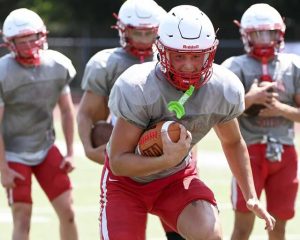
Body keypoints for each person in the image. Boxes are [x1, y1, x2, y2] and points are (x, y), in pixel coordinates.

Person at [99, 5, 276, 240]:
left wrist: (250, 196)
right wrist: (166, 159)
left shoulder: (223, 87)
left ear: (210, 53)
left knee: (209, 234)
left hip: (175, 178)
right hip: (126, 184)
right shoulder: (138, 86)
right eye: (179, 56)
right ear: (162, 52)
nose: (189, 65)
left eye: (196, 56)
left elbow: (233, 142)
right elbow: (119, 162)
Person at [77, 0, 185, 239]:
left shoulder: (177, 60)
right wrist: (88, 147)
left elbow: (190, 114)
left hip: (168, 146)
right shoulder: (106, 64)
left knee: (181, 232)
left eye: (151, 33)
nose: (145, 39)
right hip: (126, 151)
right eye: (138, 32)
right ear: (123, 30)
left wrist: (186, 152)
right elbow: (86, 112)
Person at [222, 3, 299, 240]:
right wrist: (250, 99)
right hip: (248, 154)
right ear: (246, 34)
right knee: (242, 227)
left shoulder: (293, 65)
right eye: (258, 33)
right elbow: (219, 112)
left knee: (279, 229)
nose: (264, 39)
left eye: (270, 33)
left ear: (280, 33)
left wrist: (280, 108)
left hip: (284, 152)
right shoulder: (233, 67)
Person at [0, 8, 78, 240]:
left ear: (42, 36)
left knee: (69, 212)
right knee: (22, 219)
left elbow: (66, 110)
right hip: (14, 154)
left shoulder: (57, 64)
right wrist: (3, 167)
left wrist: (71, 151)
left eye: (31, 38)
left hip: (45, 149)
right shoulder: (3, 72)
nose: (27, 45)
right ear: (9, 42)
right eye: (20, 40)